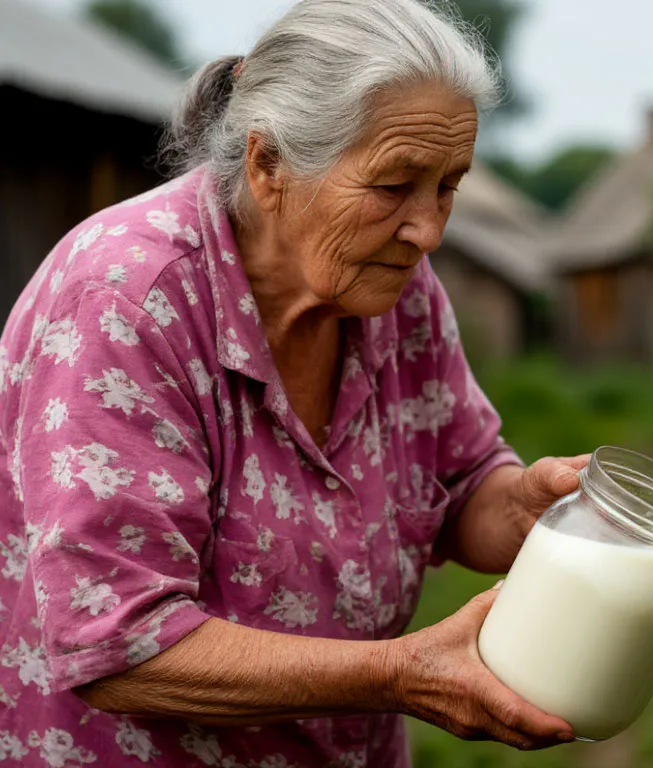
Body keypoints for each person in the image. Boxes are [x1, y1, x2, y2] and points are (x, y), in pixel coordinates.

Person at [0, 1, 584, 764]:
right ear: (268, 164)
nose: (429, 230)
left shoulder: (394, 288)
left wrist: (531, 509)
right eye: (394, 185)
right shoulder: (127, 301)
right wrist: (401, 674)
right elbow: (118, 642)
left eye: (448, 185)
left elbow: (460, 484)